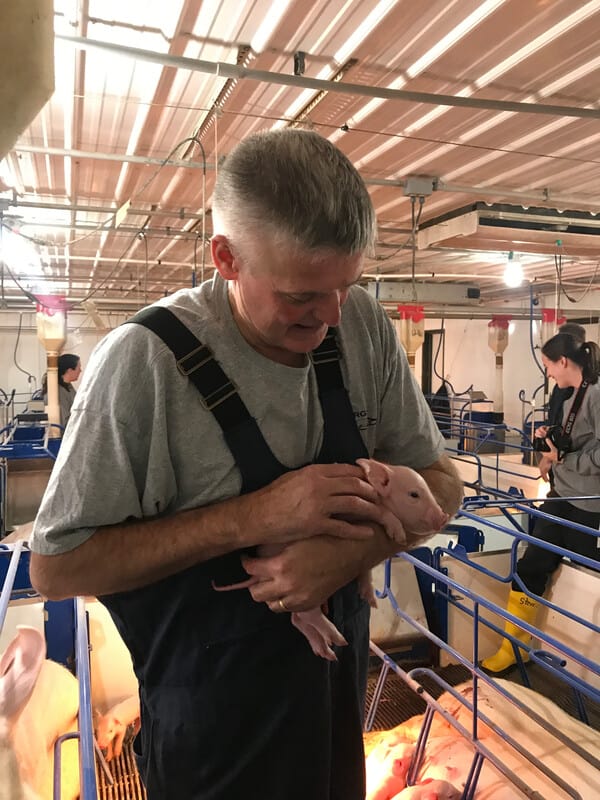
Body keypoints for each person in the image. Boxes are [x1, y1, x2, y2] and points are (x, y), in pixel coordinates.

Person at [28, 129, 462, 800]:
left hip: (332, 712)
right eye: (300, 297)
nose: (329, 316)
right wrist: (255, 516)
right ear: (226, 258)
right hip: (210, 741)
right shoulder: (145, 362)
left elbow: (443, 486)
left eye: (345, 285)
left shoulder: (363, 326)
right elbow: (57, 569)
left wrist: (347, 556)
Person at [482, 332, 600, 675]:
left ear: (563, 362)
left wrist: (564, 457)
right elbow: (572, 443)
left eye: (549, 365)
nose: (548, 373)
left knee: (588, 573)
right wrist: (550, 445)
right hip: (563, 495)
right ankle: (510, 649)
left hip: (590, 503)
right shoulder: (569, 397)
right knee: (531, 563)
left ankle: (585, 670)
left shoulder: (596, 396)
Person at [41, 353, 82, 427]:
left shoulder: (68, 386)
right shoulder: (59, 392)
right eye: (78, 368)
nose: (80, 371)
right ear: (69, 371)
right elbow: (64, 422)